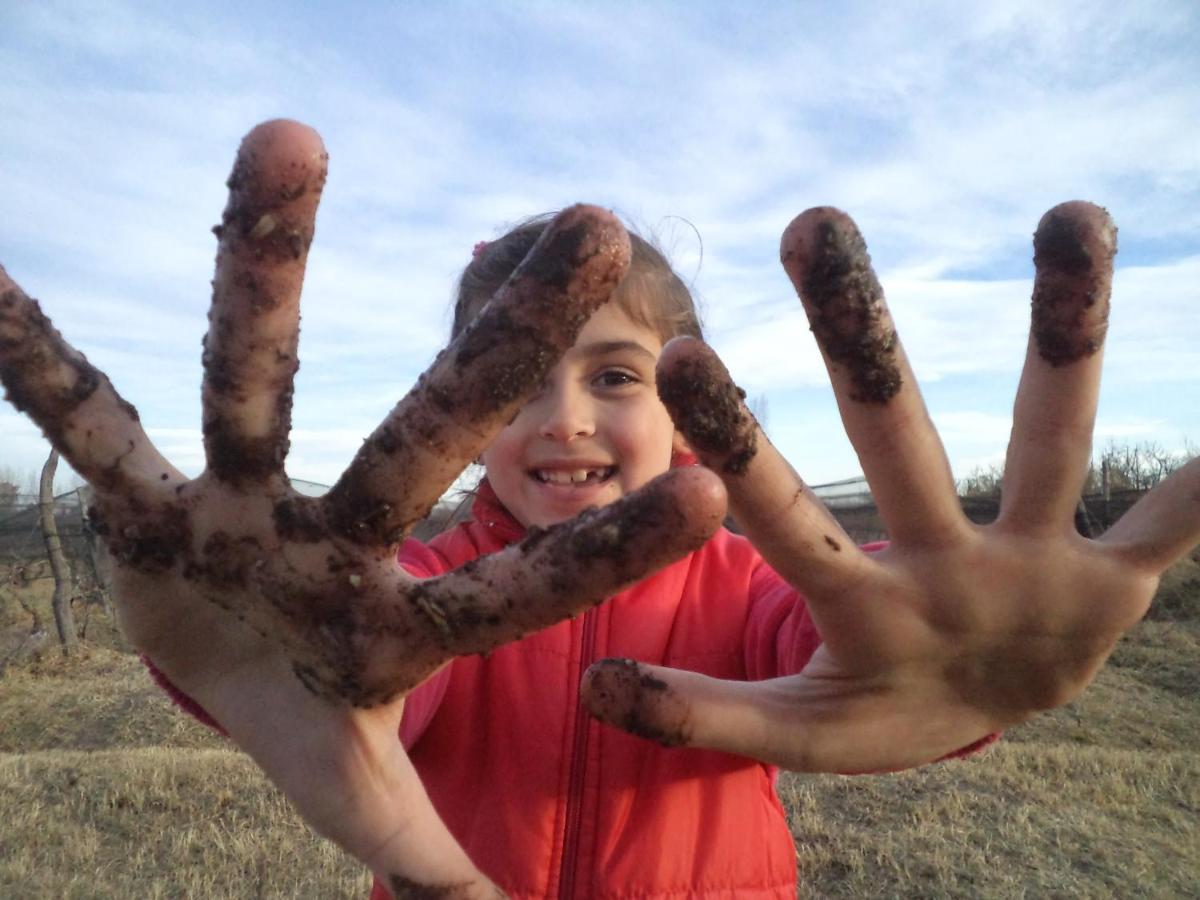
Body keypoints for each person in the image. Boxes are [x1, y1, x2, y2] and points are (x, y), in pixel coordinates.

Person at [0, 120, 1196, 899]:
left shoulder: (746, 591)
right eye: (514, 382)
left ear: (690, 408)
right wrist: (286, 661)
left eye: (615, 377)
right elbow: (380, 703)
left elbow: (836, 648)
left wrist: (960, 662)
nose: (562, 419)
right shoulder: (421, 592)